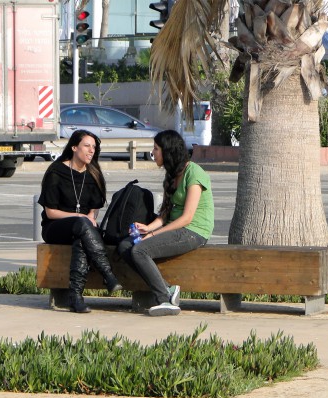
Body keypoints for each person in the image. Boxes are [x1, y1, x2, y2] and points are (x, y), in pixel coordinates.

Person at [117, 130, 214, 317]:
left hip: (194, 231)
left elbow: (187, 218)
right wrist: (149, 227)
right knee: (125, 246)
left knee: (140, 249)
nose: (153, 154)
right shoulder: (171, 175)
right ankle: (168, 290)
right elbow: (165, 213)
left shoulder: (194, 173)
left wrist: (154, 235)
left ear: (168, 151)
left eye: (156, 149)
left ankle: (163, 299)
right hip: (176, 227)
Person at [38, 130, 122, 313]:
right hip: (56, 227)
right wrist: (80, 218)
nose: (91, 150)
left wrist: (88, 218)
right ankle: (107, 274)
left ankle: (75, 298)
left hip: (82, 229)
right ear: (74, 147)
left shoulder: (93, 173)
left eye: (94, 147)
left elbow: (93, 211)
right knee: (83, 226)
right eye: (87, 146)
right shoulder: (56, 171)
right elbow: (50, 212)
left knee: (82, 241)